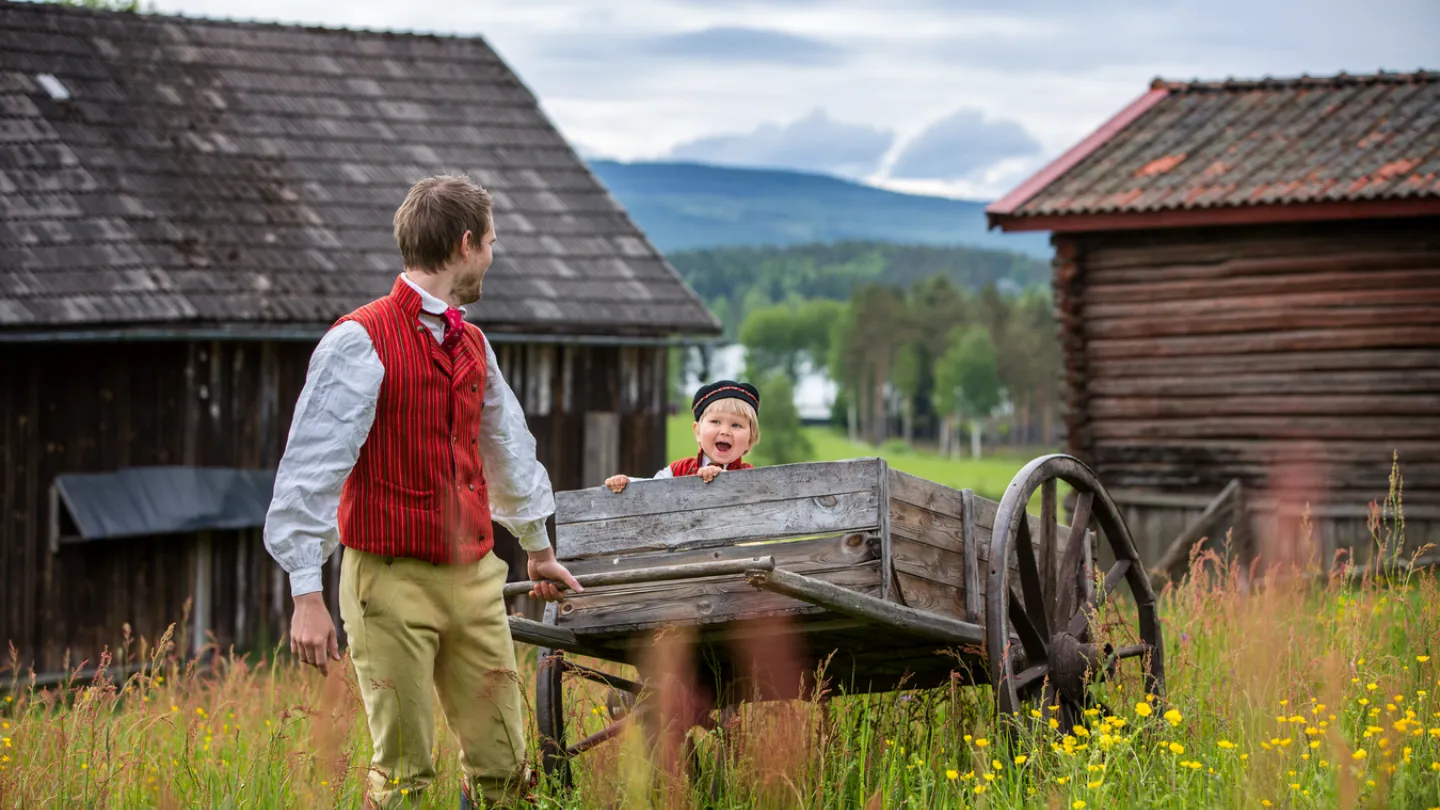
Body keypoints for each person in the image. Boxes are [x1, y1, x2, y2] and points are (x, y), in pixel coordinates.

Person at [262, 174, 582, 810]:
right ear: (465, 244)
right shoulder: (359, 340)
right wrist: (305, 592)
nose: (493, 254)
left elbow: (507, 447)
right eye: (490, 242)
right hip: (387, 581)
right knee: (406, 774)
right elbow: (310, 471)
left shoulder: (472, 341)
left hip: (475, 578)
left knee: (505, 771)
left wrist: (537, 547)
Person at [605, 380, 761, 494]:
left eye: (736, 425)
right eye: (715, 421)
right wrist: (627, 483)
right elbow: (652, 487)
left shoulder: (751, 476)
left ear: (750, 440)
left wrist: (725, 481)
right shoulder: (678, 471)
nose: (725, 431)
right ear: (698, 432)